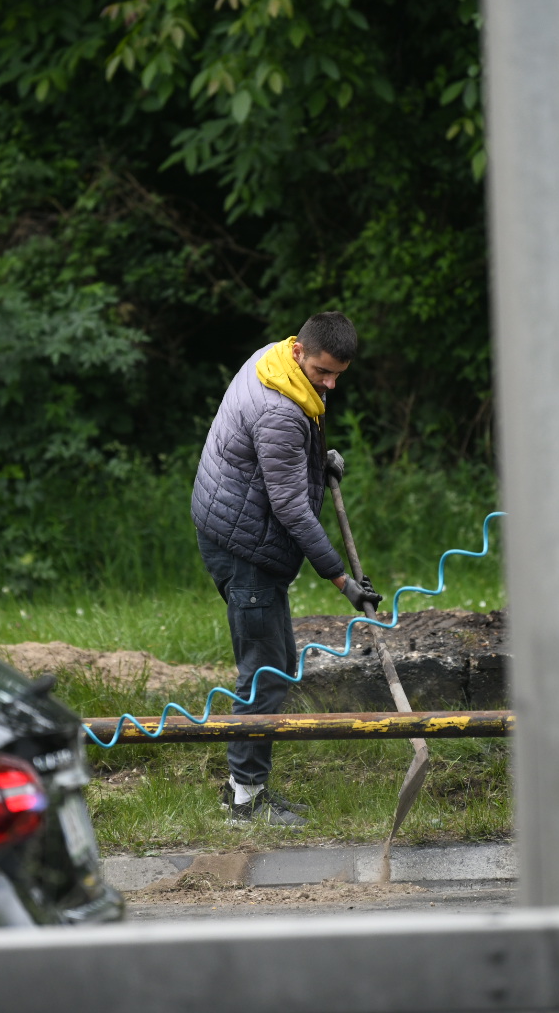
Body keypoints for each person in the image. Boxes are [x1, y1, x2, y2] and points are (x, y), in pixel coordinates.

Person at [191, 311, 382, 827]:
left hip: (233, 528)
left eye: (339, 374)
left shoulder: (273, 361)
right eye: (324, 372)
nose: (330, 384)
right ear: (301, 351)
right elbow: (291, 508)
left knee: (274, 664)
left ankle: (245, 791)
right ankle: (244, 802)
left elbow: (277, 456)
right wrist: (341, 580)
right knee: (266, 674)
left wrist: (317, 460)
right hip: (245, 547)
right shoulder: (279, 408)